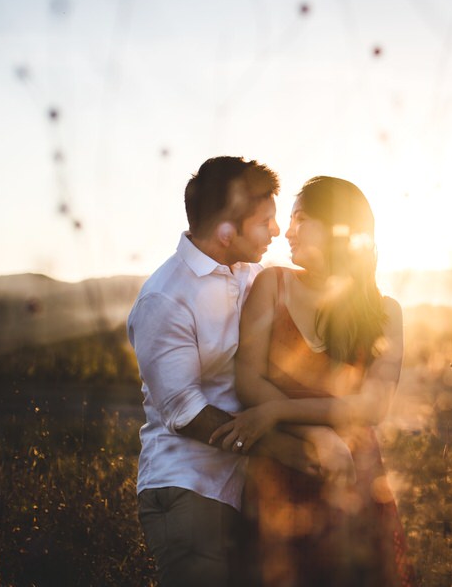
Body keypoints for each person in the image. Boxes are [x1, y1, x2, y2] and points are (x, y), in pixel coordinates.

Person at [211, 176, 415, 586]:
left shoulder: (386, 312)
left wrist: (278, 411)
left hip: (352, 479)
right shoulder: (272, 284)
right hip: (281, 473)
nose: (288, 232)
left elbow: (373, 406)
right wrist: (315, 434)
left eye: (301, 219)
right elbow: (248, 380)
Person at [128, 156, 321, 587]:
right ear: (228, 230)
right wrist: (284, 449)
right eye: (265, 221)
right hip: (189, 490)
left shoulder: (251, 275)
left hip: (244, 489)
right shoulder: (165, 298)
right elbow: (185, 411)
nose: (277, 230)